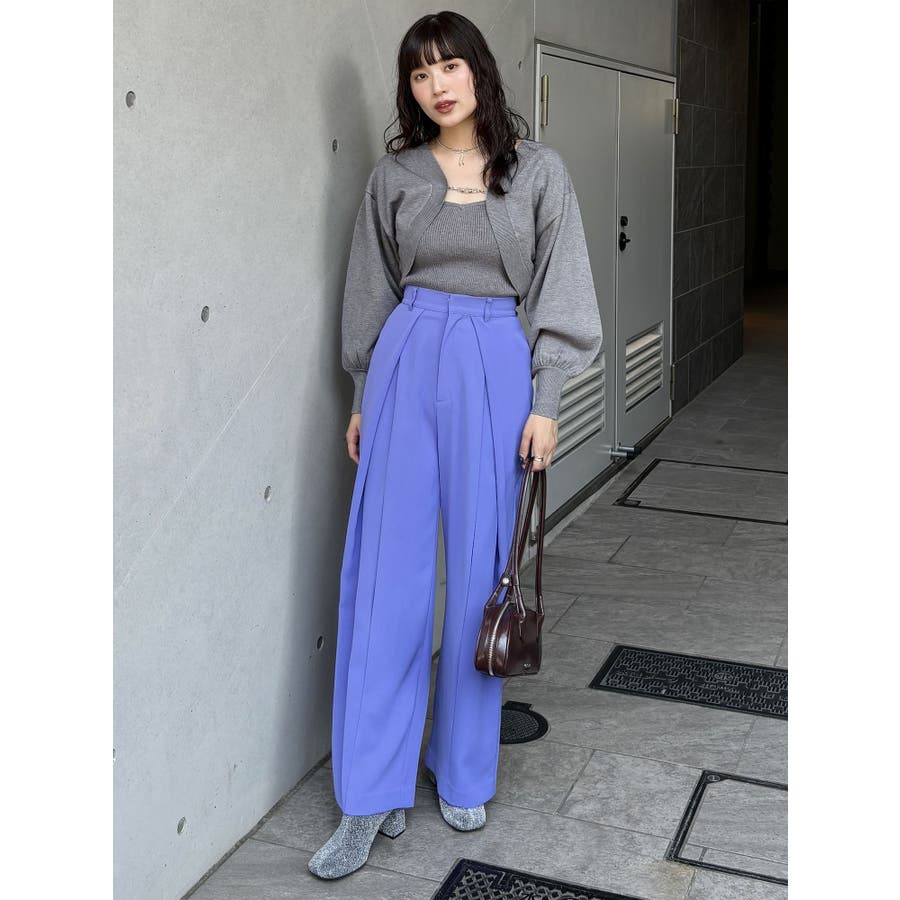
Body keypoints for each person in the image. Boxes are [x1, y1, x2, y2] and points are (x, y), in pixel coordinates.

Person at [308, 10, 603, 880]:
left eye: (449, 66)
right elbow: (370, 290)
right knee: (385, 578)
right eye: (419, 72)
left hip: (497, 364)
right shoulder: (394, 176)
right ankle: (371, 792)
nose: (437, 85)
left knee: (482, 574)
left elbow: (563, 289)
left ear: (479, 71)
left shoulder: (538, 171)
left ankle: (464, 768)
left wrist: (547, 401)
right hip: (405, 357)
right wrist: (362, 394)